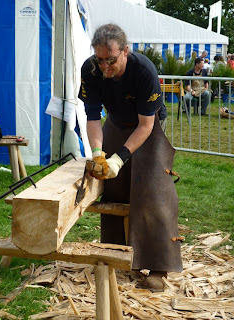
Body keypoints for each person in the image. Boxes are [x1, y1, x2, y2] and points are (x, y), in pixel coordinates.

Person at [78, 24, 182, 291]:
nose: (104, 66)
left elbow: (145, 126)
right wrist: (99, 154)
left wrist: (119, 159)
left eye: (110, 60)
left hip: (148, 125)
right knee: (112, 186)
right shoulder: (90, 70)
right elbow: (92, 118)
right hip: (115, 122)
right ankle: (115, 255)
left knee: (153, 190)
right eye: (100, 59)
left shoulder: (144, 71)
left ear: (125, 51)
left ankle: (158, 268)